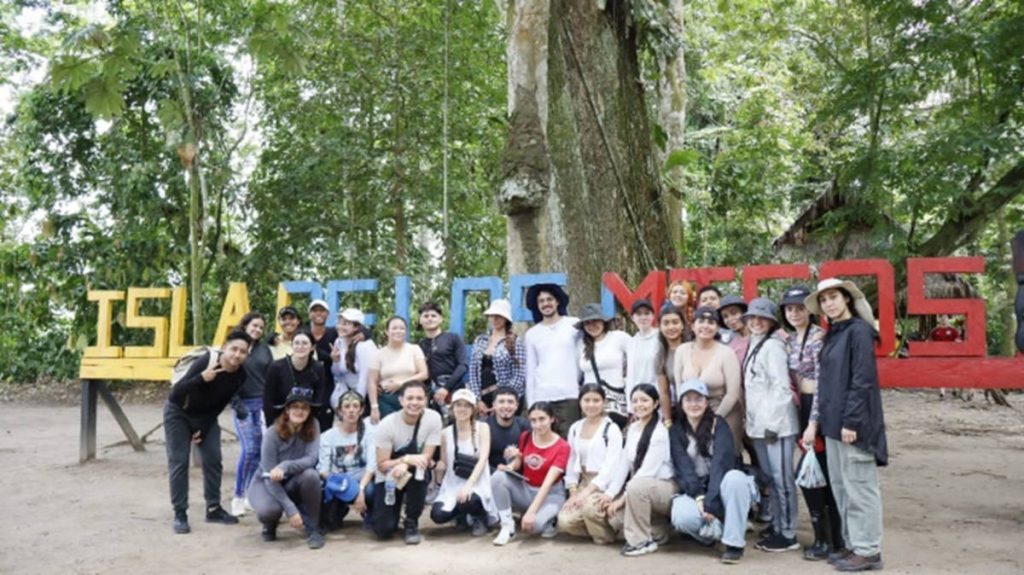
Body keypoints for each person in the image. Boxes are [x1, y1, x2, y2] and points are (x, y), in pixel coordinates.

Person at [805, 278, 888, 572]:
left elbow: (863, 380)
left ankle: (868, 550)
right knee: (842, 488)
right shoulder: (833, 334)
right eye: (824, 299)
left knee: (860, 488)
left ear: (847, 300)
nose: (828, 303)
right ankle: (854, 546)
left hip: (855, 426)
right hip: (832, 425)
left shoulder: (859, 332)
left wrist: (851, 420)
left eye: (833, 297)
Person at [164, 330, 252, 534]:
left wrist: (202, 428)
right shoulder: (207, 361)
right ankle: (180, 513)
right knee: (179, 462)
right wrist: (202, 378)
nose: (237, 355)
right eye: (234, 349)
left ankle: (213, 508)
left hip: (206, 417)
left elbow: (219, 404)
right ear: (225, 347)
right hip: (178, 412)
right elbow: (176, 393)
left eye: (243, 352)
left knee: (213, 460)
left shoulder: (240, 374)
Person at [781, 285, 843, 561]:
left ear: (810, 310)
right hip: (801, 410)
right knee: (808, 474)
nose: (794, 313)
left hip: (818, 410)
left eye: (799, 307)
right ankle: (823, 536)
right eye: (789, 308)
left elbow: (822, 385)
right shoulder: (791, 340)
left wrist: (813, 424)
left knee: (822, 474)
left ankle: (832, 539)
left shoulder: (820, 338)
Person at [669, 379, 757, 564]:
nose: (694, 404)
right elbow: (684, 468)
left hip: (722, 486)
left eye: (699, 399)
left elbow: (721, 464)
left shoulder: (719, 424)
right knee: (681, 517)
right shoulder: (676, 431)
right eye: (688, 400)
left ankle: (734, 543)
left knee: (736, 479)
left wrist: (711, 501)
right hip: (696, 489)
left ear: (706, 402)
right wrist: (700, 497)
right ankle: (714, 533)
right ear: (681, 404)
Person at [741, 297, 801, 553]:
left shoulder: (773, 347)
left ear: (771, 321)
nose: (756, 322)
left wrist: (773, 423)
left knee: (782, 478)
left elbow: (781, 388)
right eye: (752, 317)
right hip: (759, 425)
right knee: (771, 478)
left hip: (777, 426)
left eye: (762, 318)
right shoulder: (756, 344)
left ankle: (787, 532)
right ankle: (777, 524)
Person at [599, 384, 677, 557]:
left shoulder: (660, 433)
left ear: (656, 403)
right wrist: (611, 494)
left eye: (644, 400)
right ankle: (658, 530)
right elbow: (624, 464)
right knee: (614, 518)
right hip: (640, 488)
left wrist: (620, 501)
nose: (639, 405)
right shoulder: (633, 428)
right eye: (635, 401)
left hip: (663, 489)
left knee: (635, 487)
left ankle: (641, 542)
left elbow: (645, 473)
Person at [248, 387, 324, 549]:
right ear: (287, 410)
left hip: (293, 479)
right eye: (295, 407)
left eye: (304, 408)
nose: (299, 411)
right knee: (269, 511)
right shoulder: (271, 433)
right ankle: (270, 523)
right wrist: (290, 510)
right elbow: (269, 475)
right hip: (266, 483)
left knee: (311, 475)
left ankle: (313, 528)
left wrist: (285, 466)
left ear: (310, 411)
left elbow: (311, 459)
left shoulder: (314, 425)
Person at [372, 380, 443, 544]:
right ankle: (390, 512)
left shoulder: (433, 419)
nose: (415, 403)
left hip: (415, 471)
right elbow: (382, 465)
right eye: (410, 398)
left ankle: (412, 521)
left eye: (419, 398)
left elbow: (426, 457)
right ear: (401, 400)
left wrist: (407, 464)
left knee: (419, 470)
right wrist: (404, 459)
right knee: (384, 530)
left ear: (426, 400)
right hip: (389, 476)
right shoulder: (387, 424)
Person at [490, 401, 571, 545]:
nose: (537, 425)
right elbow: (519, 463)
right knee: (497, 477)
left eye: (542, 419)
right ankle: (507, 525)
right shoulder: (526, 436)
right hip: (527, 489)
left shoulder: (562, 446)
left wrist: (531, 512)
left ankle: (550, 520)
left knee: (533, 527)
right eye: (533, 420)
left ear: (552, 419)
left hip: (550, 495)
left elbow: (547, 483)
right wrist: (510, 466)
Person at [557, 384, 624, 544]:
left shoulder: (611, 429)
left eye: (596, 400)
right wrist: (573, 492)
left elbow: (611, 467)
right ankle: (602, 531)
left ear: (604, 403)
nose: (591, 405)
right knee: (564, 521)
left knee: (589, 508)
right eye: (587, 400)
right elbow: (572, 460)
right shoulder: (575, 428)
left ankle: (604, 537)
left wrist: (586, 493)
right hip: (583, 481)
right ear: (580, 402)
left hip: (604, 484)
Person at [675, 306, 744, 453]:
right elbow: (679, 386)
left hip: (723, 411)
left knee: (722, 457)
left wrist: (715, 419)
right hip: (692, 411)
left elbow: (732, 393)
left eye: (711, 322)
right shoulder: (682, 350)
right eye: (701, 321)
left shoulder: (727, 353)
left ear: (718, 327)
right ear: (693, 326)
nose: (706, 326)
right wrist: (690, 415)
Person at [431, 389, 496, 535]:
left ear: (473, 409)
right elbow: (444, 463)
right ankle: (461, 515)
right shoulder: (445, 433)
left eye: (467, 405)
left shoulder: (483, 428)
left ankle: (479, 516)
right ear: (452, 408)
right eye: (458, 405)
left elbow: (483, 458)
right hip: (454, 482)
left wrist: (469, 485)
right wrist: (437, 469)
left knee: (469, 500)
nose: (462, 409)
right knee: (438, 515)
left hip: (476, 480)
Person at [230, 312, 273, 517]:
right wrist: (236, 403)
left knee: (260, 451)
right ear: (245, 326)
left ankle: (249, 495)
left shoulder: (264, 350)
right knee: (249, 450)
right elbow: (228, 375)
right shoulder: (237, 348)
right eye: (254, 326)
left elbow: (270, 376)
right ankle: (237, 496)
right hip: (243, 405)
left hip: (262, 404)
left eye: (260, 327)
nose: (257, 330)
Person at [524, 283, 581, 437]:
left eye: (549, 299)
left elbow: (582, 358)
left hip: (570, 395)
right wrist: (532, 404)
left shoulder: (573, 325)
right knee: (545, 444)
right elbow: (530, 370)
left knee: (570, 442)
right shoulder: (532, 334)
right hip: (543, 397)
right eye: (541, 301)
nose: (545, 303)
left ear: (557, 301)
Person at [318, 390, 377, 531]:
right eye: (347, 406)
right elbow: (323, 470)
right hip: (337, 482)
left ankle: (370, 513)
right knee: (331, 524)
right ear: (339, 410)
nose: (351, 411)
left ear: (361, 410)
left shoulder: (370, 433)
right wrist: (345, 486)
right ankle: (338, 509)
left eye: (355, 406)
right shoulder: (327, 436)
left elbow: (371, 466)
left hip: (362, 481)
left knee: (371, 490)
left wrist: (360, 490)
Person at [576, 303, 631, 426]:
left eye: (595, 321)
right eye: (587, 323)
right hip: (590, 401)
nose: (592, 326)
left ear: (603, 321)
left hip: (614, 401)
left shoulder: (619, 338)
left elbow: (637, 360)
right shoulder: (581, 344)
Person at [468, 299, 526, 414]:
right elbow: (473, 372)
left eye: (499, 316)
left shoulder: (515, 342)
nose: (495, 319)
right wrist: (477, 399)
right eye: (492, 316)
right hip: (483, 397)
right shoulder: (480, 340)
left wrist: (503, 401)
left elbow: (519, 375)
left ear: (506, 318)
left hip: (507, 399)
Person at [263, 331, 329, 430]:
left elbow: (319, 398)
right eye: (297, 343)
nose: (300, 346)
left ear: (312, 347)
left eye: (304, 343)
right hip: (280, 420)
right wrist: (271, 426)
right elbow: (268, 399)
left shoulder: (318, 368)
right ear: (291, 345)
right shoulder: (276, 367)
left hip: (306, 421)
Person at [368, 316, 429, 423]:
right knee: (390, 432)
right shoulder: (378, 354)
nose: (398, 331)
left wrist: (401, 384)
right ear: (387, 331)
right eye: (394, 328)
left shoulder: (414, 349)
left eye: (402, 328)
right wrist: (374, 407)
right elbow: (372, 382)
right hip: (387, 400)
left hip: (412, 398)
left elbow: (424, 374)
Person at [417, 302, 469, 411]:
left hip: (454, 391)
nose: (429, 319)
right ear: (420, 320)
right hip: (431, 396)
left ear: (441, 319)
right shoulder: (419, 345)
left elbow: (463, 365)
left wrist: (446, 388)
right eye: (426, 316)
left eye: (433, 316)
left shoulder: (453, 338)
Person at [329, 308, 378, 407]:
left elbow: (364, 378)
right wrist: (336, 361)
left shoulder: (364, 346)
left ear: (356, 327)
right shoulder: (339, 342)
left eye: (346, 324)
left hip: (363, 398)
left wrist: (357, 404)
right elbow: (337, 373)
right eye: (339, 323)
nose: (340, 327)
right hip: (346, 395)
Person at [484, 386, 530, 471]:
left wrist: (520, 454)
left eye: (510, 402)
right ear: (494, 405)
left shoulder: (525, 426)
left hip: (517, 476)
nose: (506, 406)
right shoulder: (484, 426)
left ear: (517, 405)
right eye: (501, 402)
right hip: (489, 475)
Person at [626, 299, 661, 411]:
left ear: (653, 316)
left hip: (656, 397)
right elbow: (630, 375)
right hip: (637, 400)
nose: (643, 317)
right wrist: (630, 405)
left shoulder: (660, 337)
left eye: (647, 313)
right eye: (639, 314)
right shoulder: (631, 342)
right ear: (633, 318)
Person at [655, 304, 687, 422]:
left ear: (683, 324)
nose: (671, 327)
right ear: (660, 327)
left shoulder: (694, 347)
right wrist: (668, 420)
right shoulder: (661, 356)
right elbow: (664, 392)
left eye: (675, 322)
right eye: (666, 323)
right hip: (681, 410)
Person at [307, 299, 339, 401]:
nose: (318, 313)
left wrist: (363, 335)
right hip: (307, 384)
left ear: (328, 314)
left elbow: (358, 329)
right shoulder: (303, 333)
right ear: (309, 314)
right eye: (315, 310)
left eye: (322, 310)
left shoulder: (335, 332)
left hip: (329, 384)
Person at [718, 295, 750, 364]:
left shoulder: (759, 336)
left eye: (734, 313)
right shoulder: (731, 345)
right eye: (725, 316)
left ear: (744, 313)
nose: (730, 319)